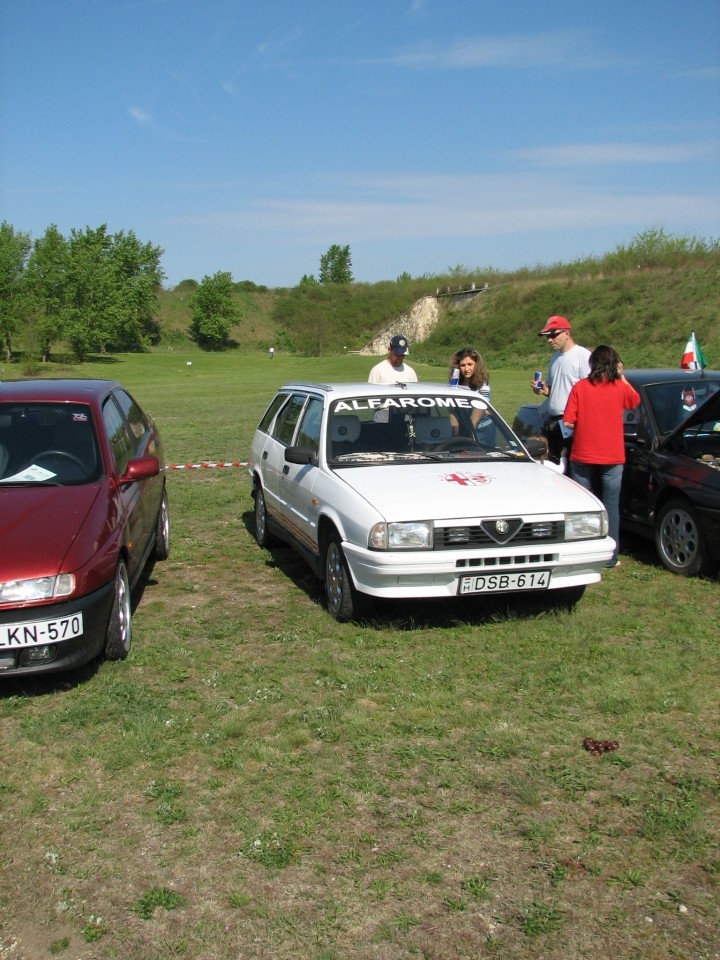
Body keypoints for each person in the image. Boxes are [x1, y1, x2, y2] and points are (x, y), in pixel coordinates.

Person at [563, 345, 640, 569]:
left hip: (583, 453)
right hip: (613, 455)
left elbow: (568, 421)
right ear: (614, 364)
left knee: (582, 505)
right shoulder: (619, 387)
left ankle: (582, 551)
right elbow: (634, 401)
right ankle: (611, 555)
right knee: (610, 505)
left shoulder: (580, 387)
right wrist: (622, 375)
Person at [531, 315, 591, 465]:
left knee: (569, 465)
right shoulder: (555, 357)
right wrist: (542, 389)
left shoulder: (583, 356)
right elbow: (554, 390)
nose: (549, 340)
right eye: (547, 337)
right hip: (553, 421)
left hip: (570, 422)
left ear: (566, 333)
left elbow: (589, 394)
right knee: (553, 464)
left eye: (553, 335)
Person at [448, 347, 491, 434]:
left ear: (476, 364)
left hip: (482, 430)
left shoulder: (483, 386)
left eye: (470, 364)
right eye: (463, 365)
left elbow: (474, 421)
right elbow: (451, 407)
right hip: (464, 427)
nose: (466, 369)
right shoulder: (456, 384)